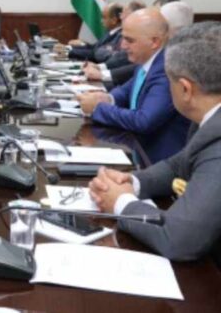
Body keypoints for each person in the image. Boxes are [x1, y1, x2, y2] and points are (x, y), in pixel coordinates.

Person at [88, 22, 221, 266]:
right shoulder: (209, 116)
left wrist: (121, 202)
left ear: (185, 89)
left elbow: (180, 239)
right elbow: (179, 165)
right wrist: (132, 182)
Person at [77, 8, 190, 162]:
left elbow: (143, 121)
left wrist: (98, 108)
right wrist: (105, 98)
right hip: (137, 148)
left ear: (155, 42)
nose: (123, 46)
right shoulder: (148, 60)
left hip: (157, 161)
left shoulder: (167, 70)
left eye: (129, 40)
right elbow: (126, 91)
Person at [85, 0, 193, 86]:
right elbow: (127, 89)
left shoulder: (172, 59)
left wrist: (103, 74)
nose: (121, 17)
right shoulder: (151, 53)